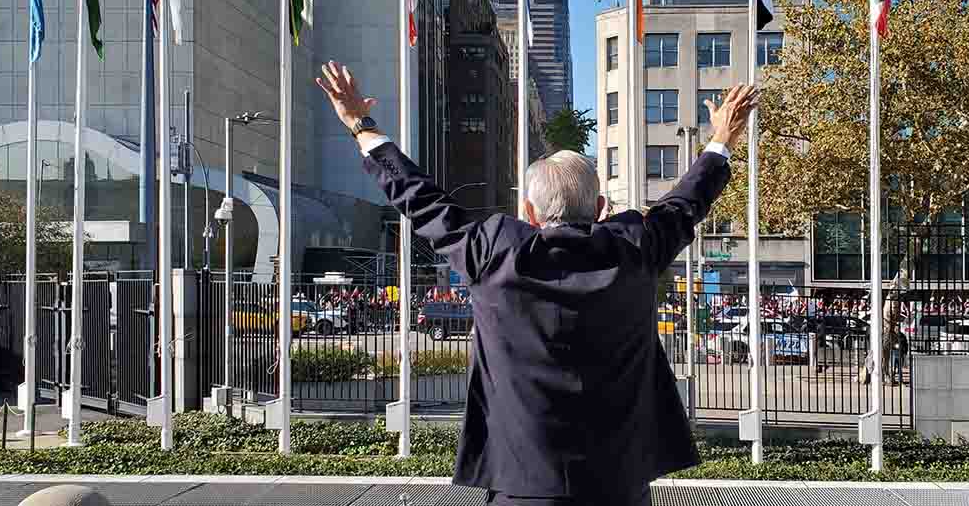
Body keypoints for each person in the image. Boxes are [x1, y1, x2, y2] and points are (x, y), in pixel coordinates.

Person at [316, 61, 758, 506]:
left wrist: (361, 125)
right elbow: (685, 203)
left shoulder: (494, 252)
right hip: (618, 484)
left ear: (529, 212)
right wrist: (721, 138)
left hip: (520, 483)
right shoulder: (635, 249)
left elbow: (420, 199)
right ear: (601, 207)